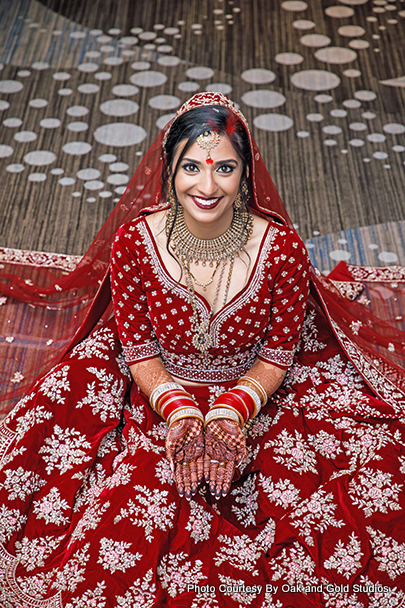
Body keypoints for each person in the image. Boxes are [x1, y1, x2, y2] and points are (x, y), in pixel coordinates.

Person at [0, 92, 405, 608]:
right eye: (191, 166)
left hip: (256, 389)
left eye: (225, 168)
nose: (208, 186)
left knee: (342, 511)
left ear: (246, 174)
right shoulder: (133, 244)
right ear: (168, 170)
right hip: (158, 388)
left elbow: (279, 353)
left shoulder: (279, 249)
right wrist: (180, 410)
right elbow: (139, 346)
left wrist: (233, 413)